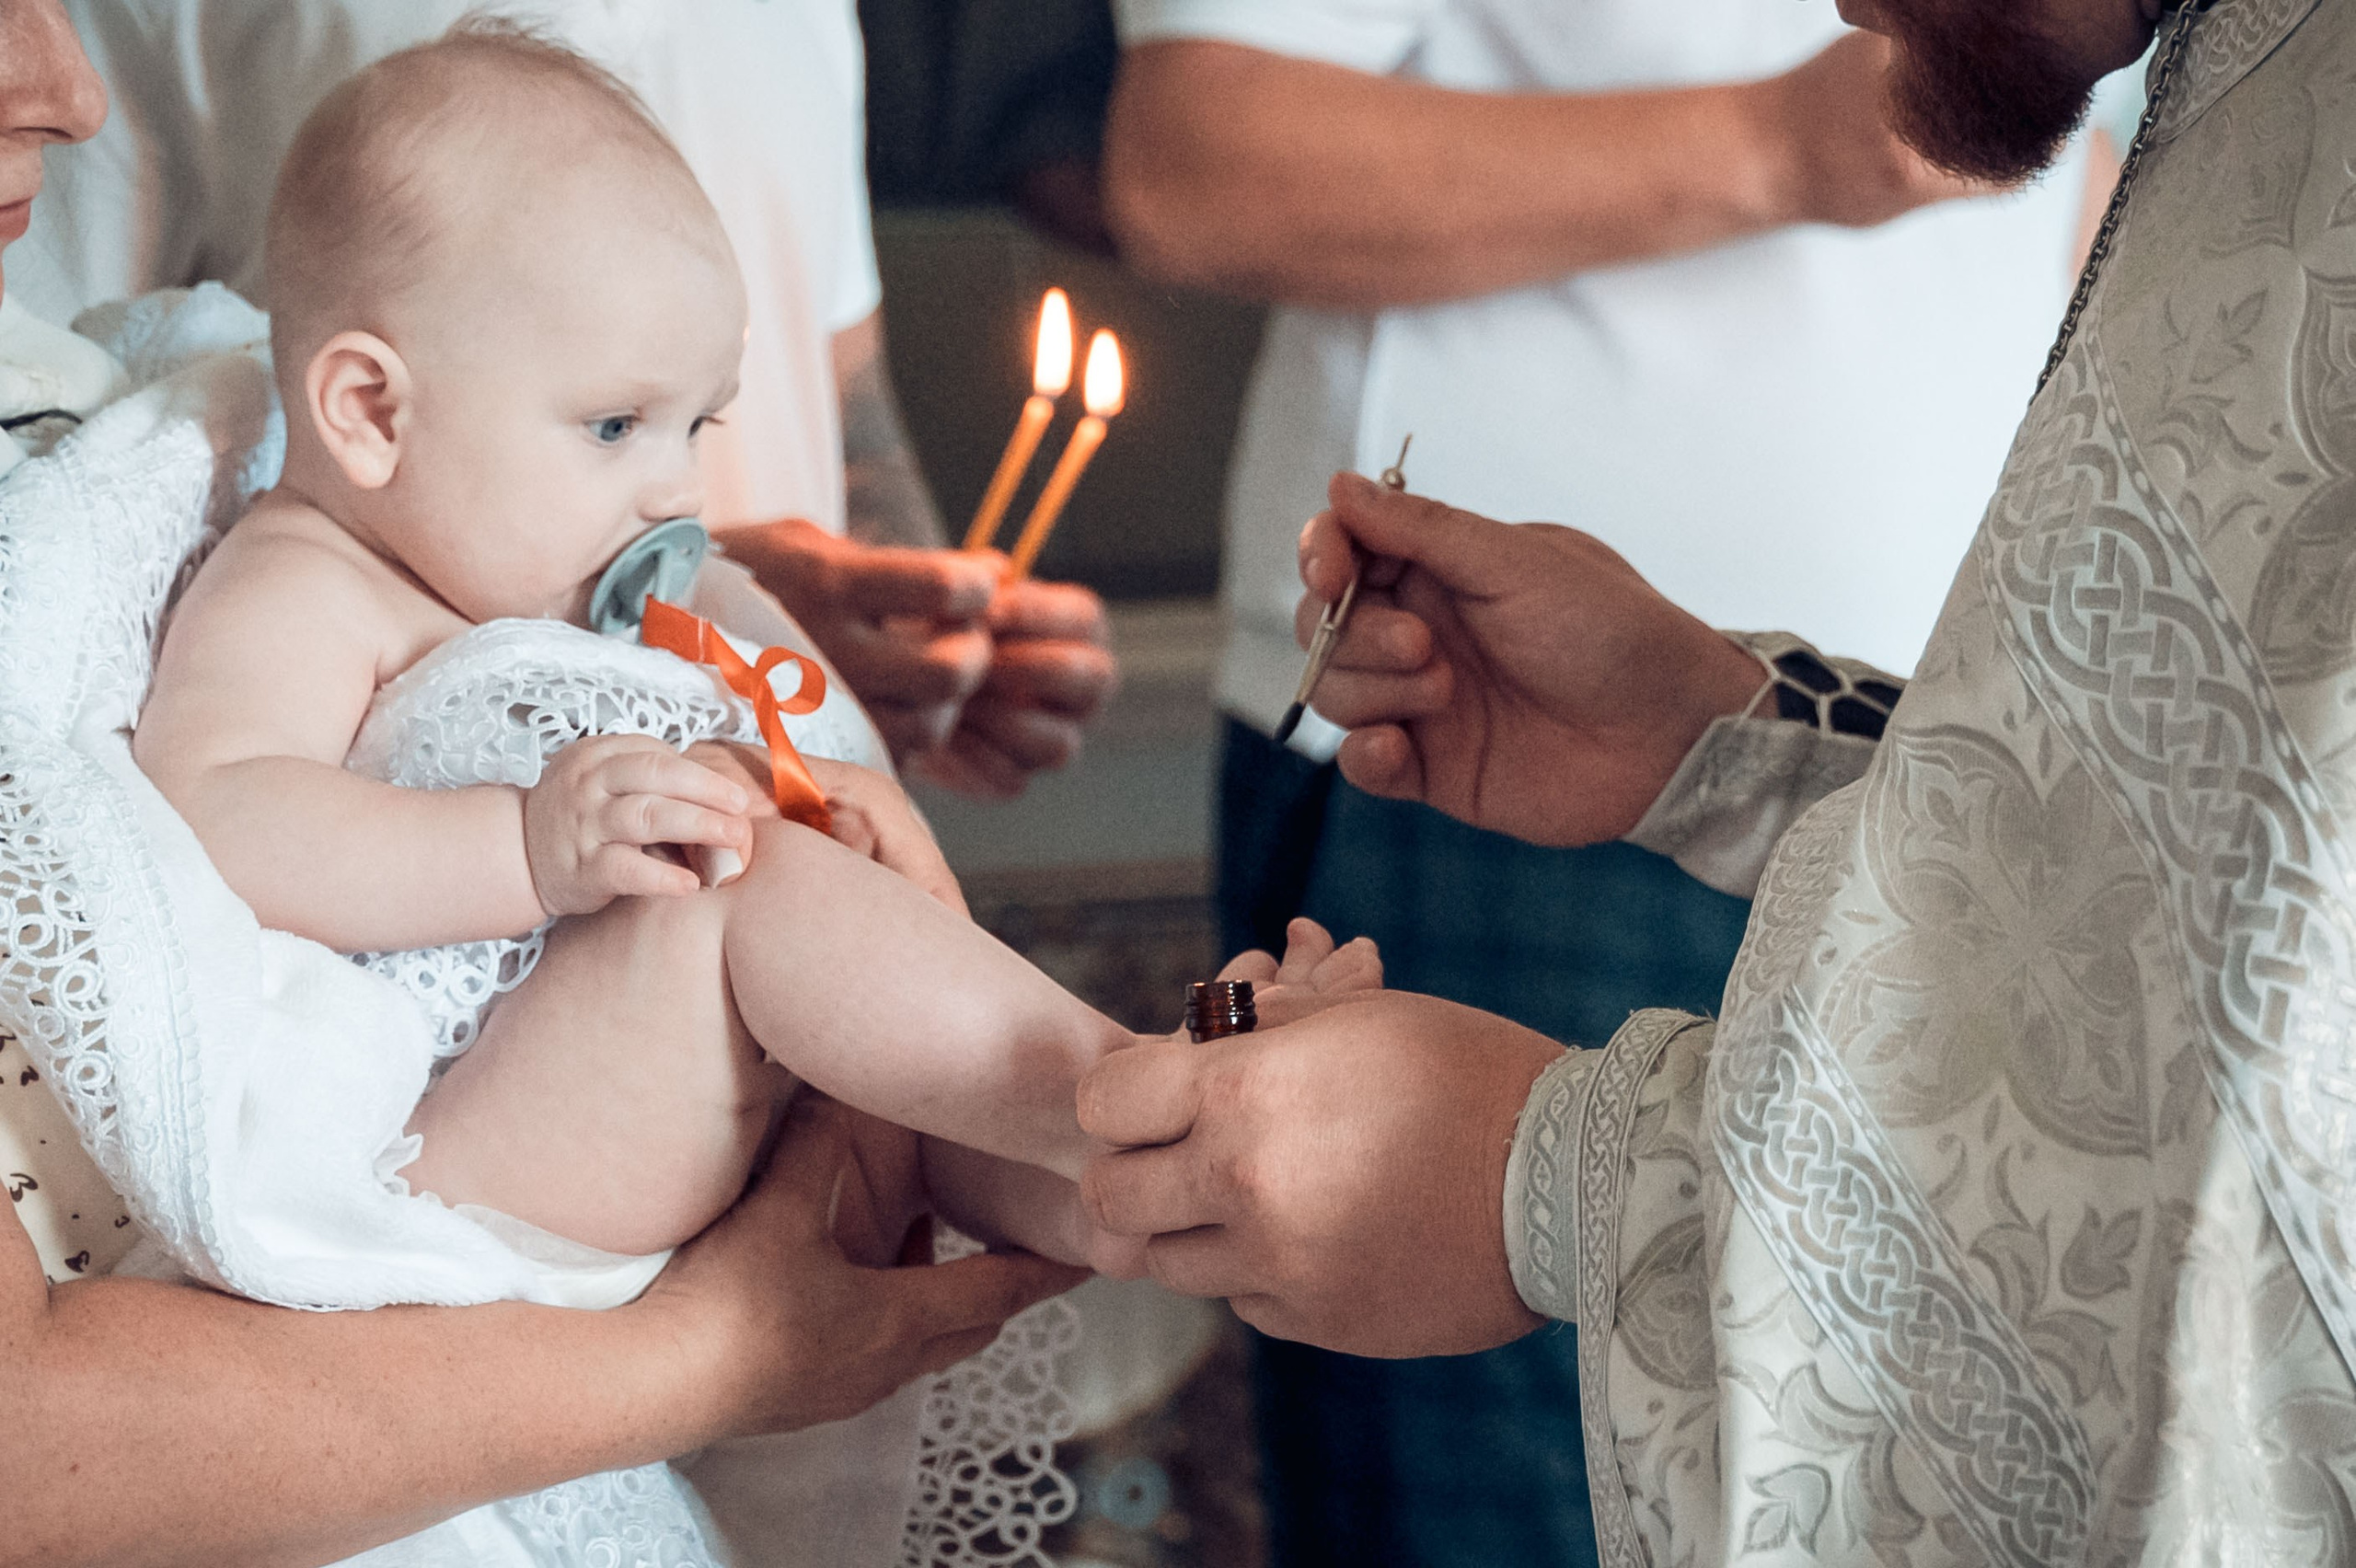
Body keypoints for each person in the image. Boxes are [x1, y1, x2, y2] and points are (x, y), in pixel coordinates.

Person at [1080, 0, 2356, 1558]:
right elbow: (2235, 851)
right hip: (1702, 816)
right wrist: (1750, 742)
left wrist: (1554, 1179)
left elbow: (2259, 1224)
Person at [0, 6, 1085, 1564]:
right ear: (369, 412)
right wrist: (529, 841)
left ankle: (1123, 1137)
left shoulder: (529, 561)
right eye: (614, 427)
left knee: (845, 975)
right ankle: (1112, 1113)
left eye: (694, 423)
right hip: (434, 1156)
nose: (675, 488)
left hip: (636, 1107)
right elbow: (224, 808)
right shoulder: (307, 575)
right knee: (745, 895)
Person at [15, 0, 1118, 800]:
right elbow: (72, 423)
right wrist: (600, 613)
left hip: (757, 752)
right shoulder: (106, 37)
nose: (680, 483)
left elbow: (833, 360)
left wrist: (924, 632)